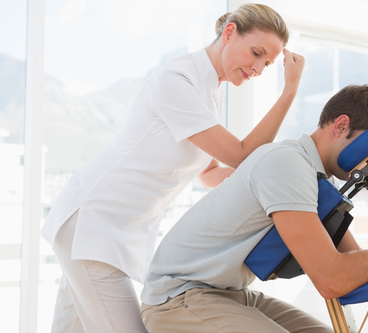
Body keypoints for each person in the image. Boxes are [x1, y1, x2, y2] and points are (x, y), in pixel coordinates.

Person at [41, 3, 305, 333]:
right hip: (92, 224)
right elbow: (240, 154)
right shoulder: (177, 80)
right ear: (229, 32)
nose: (259, 68)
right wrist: (289, 90)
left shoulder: (209, 94)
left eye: (266, 63)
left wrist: (262, 182)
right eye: (256, 53)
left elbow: (209, 173)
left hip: (108, 230)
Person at [140, 84, 368, 333]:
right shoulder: (286, 163)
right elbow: (332, 278)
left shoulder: (317, 180)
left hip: (229, 294)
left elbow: (356, 266)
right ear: (341, 125)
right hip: (179, 298)